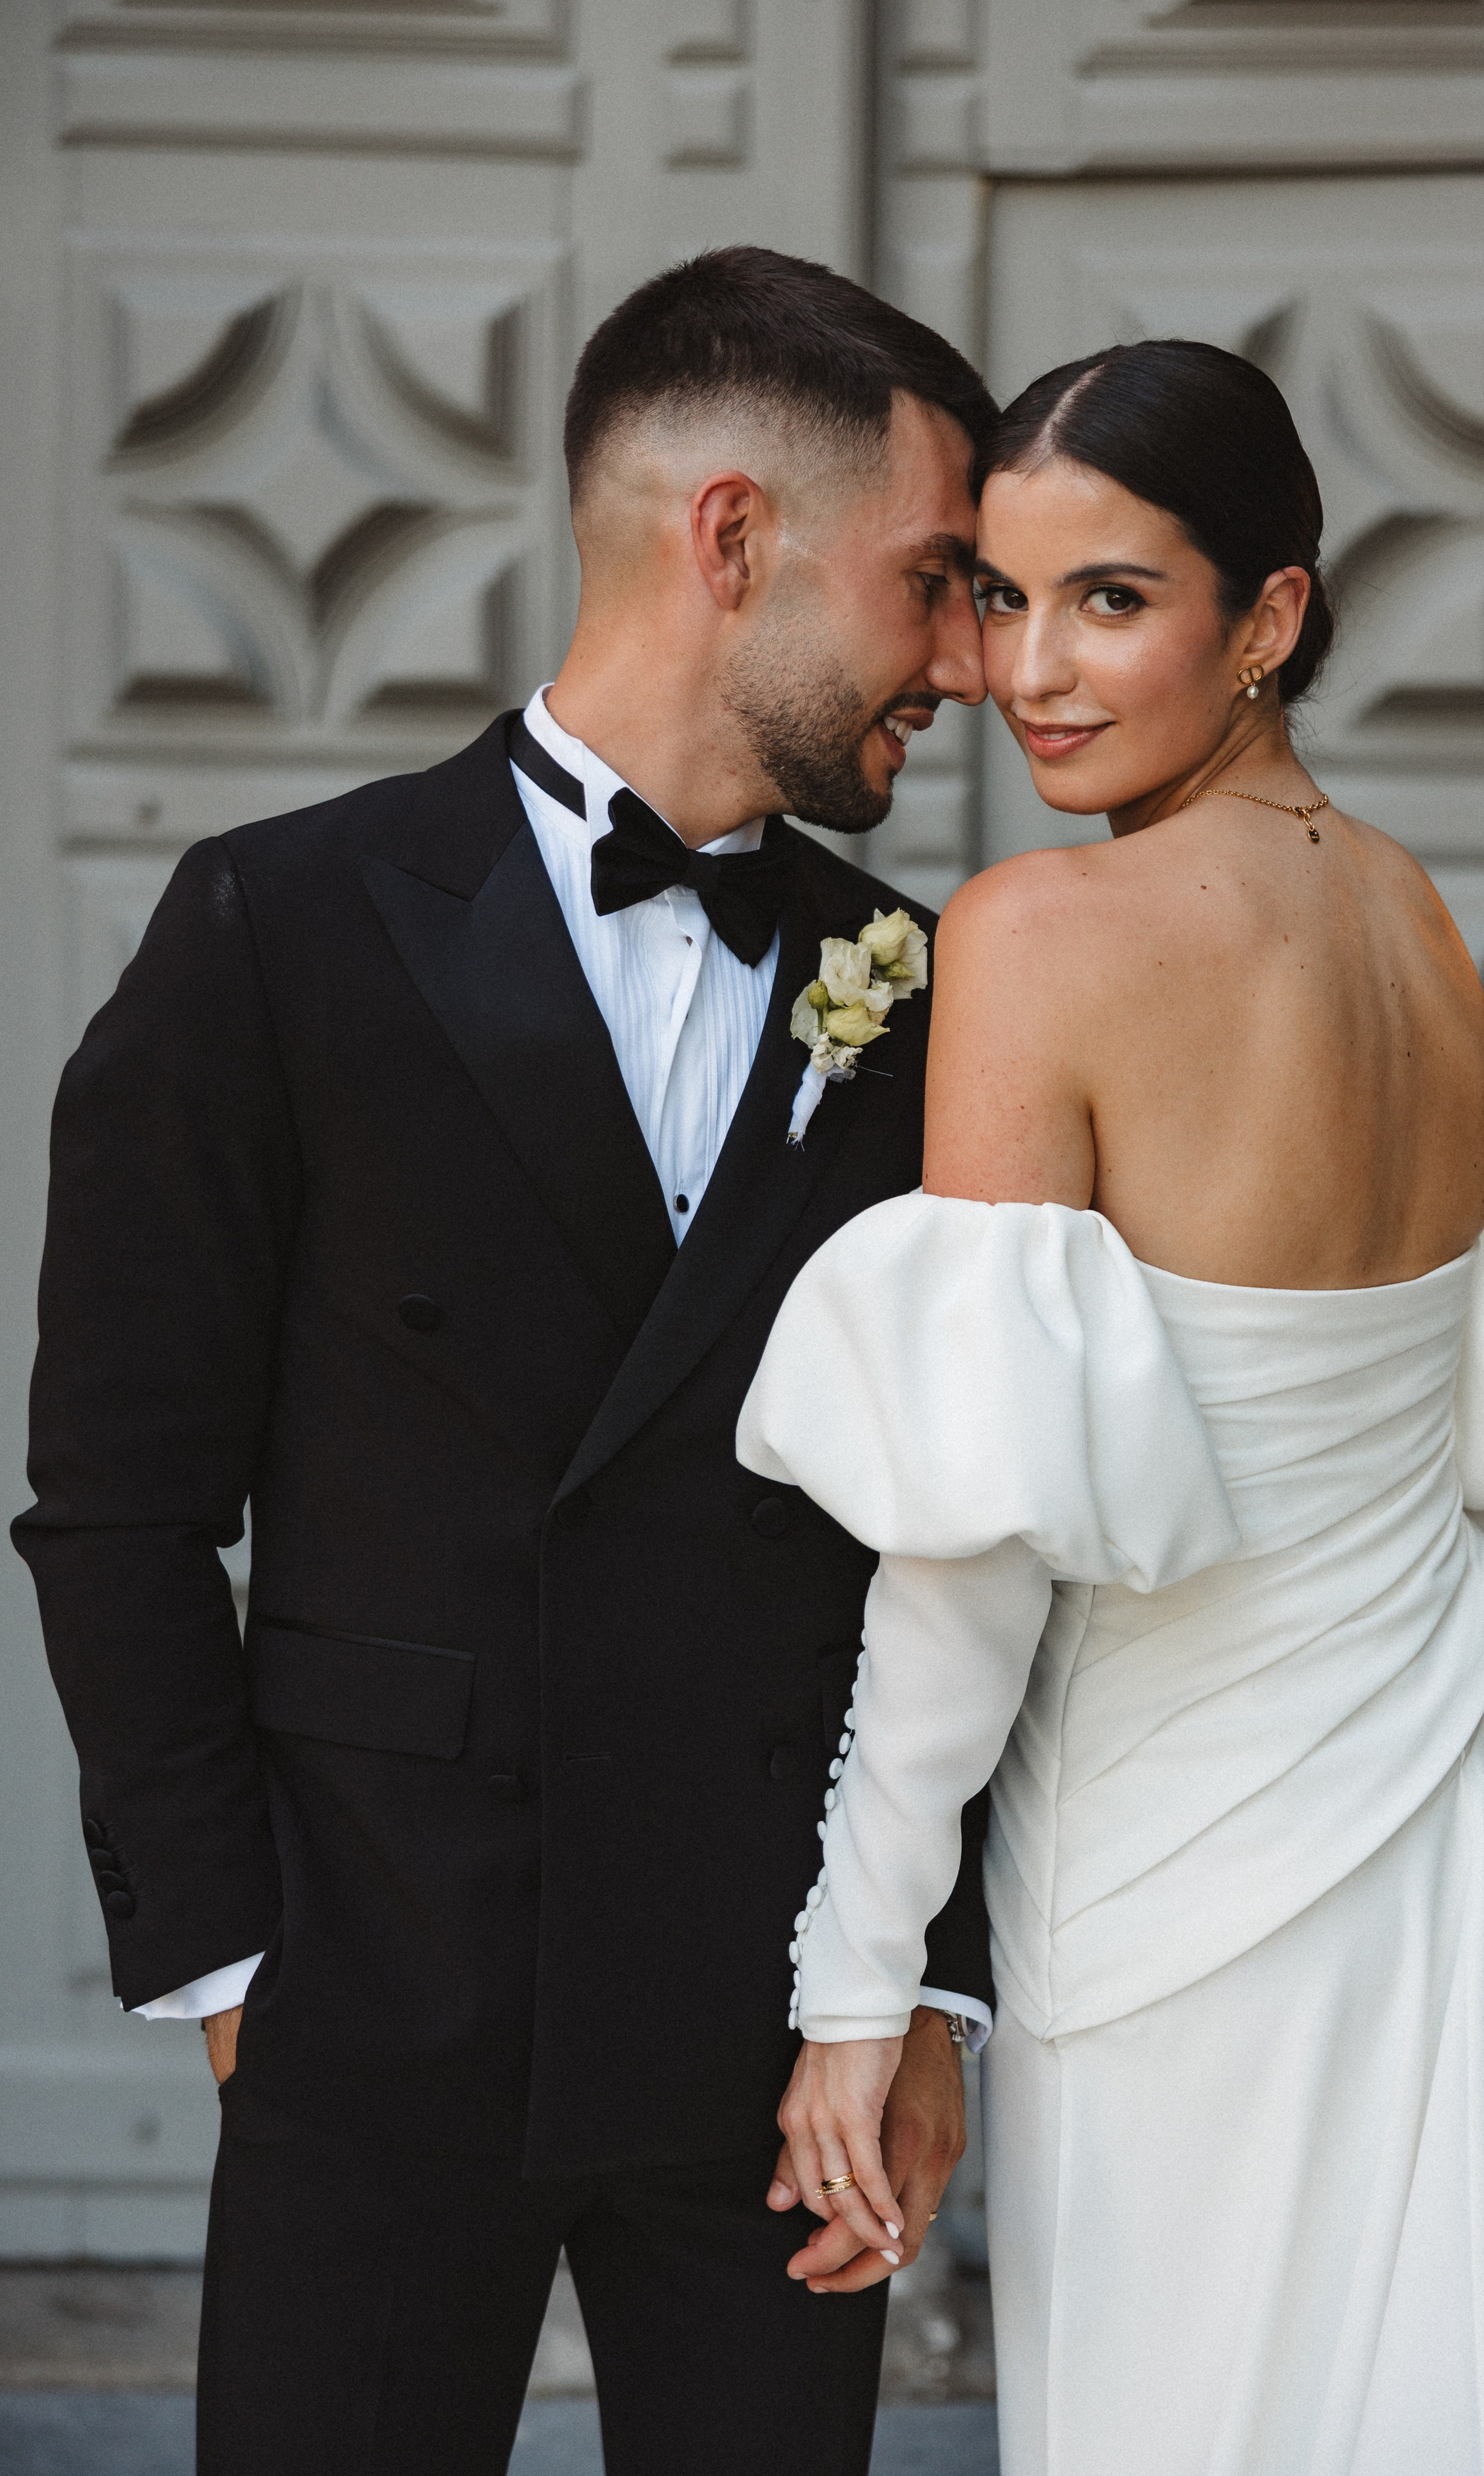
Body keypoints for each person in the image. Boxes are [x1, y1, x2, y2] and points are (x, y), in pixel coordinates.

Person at [12, 247, 1001, 2476]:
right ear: (731, 535)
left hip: (781, 2027)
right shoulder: (280, 926)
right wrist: (232, 1964)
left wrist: (928, 1984)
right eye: (935, 580)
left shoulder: (936, 990)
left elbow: (990, 1515)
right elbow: (122, 1499)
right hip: (381, 1987)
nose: (969, 660)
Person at [738, 339, 1484, 2473]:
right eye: (996, 593)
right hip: (1459, 1791)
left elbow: (965, 1553)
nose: (1029, 669)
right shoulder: (1422, 925)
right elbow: (1464, 1463)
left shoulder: (1041, 937)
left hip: (1181, 1862)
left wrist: (857, 1983)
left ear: (1271, 618)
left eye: (1112, 600)